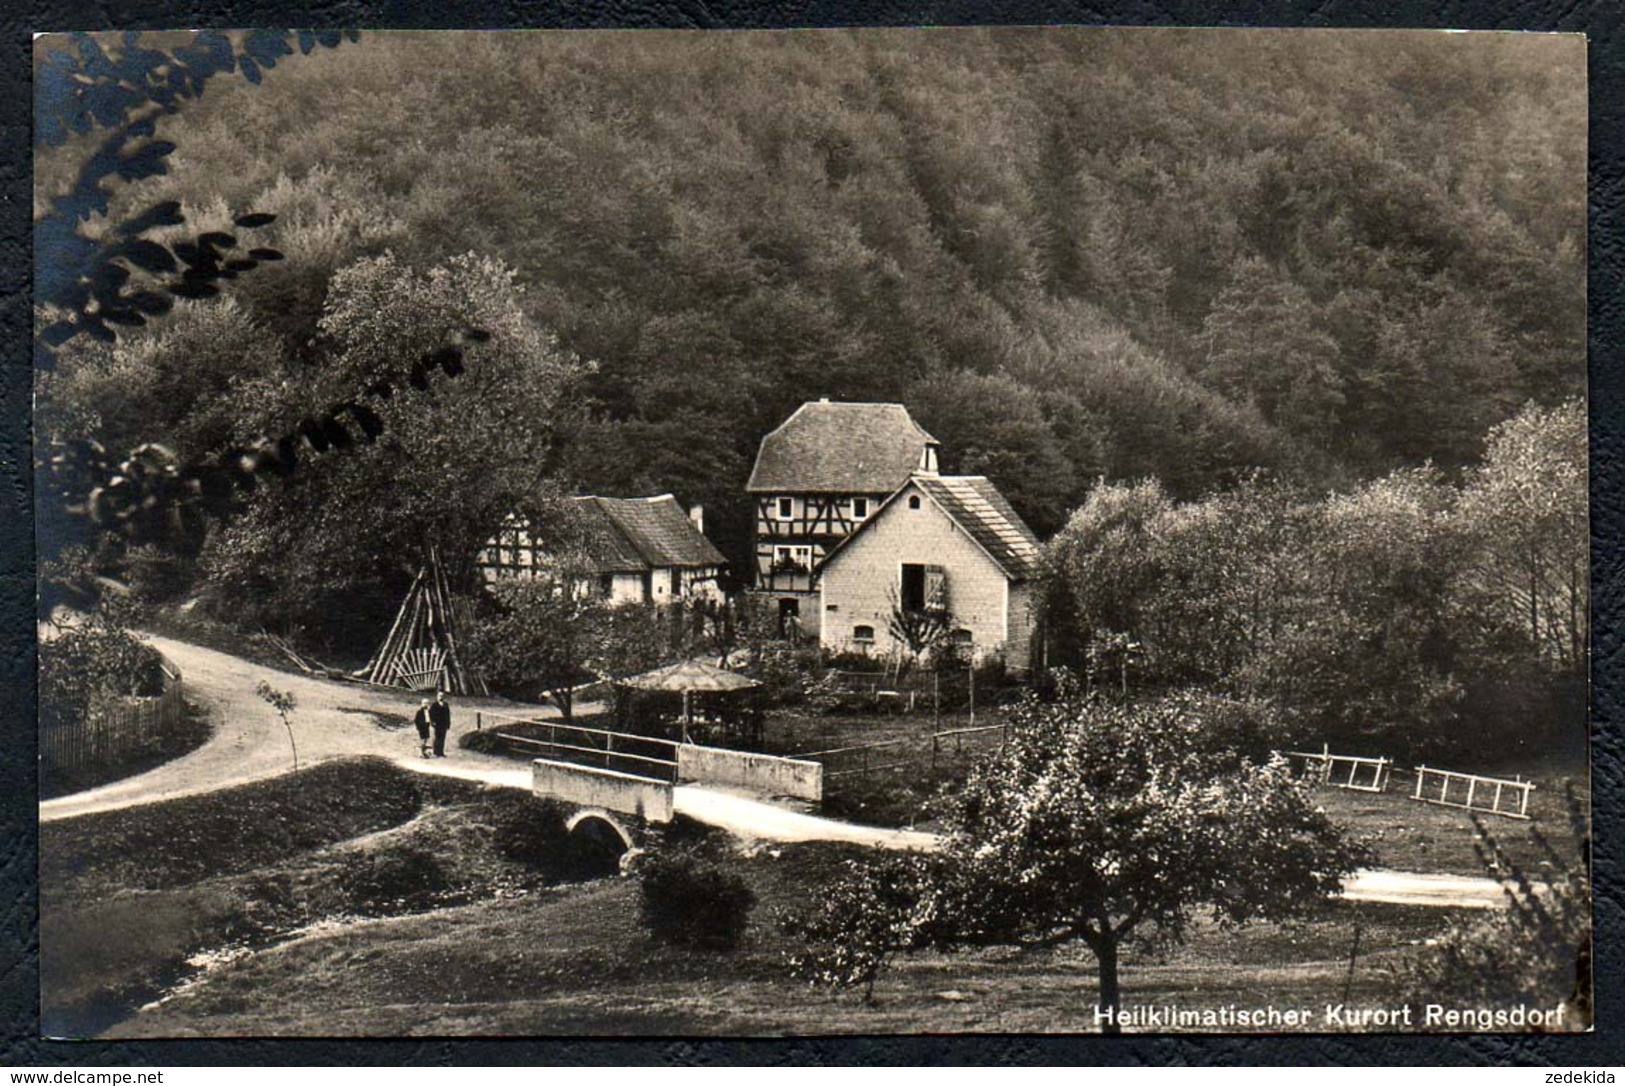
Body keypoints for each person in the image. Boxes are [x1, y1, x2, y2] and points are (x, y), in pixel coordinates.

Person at [429, 689, 453, 758]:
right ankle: (435, 752)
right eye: (439, 696)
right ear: (437, 696)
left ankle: (441, 752)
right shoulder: (434, 705)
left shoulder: (446, 705)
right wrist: (432, 722)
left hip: (444, 724)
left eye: (442, 696)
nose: (441, 697)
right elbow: (431, 714)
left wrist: (448, 723)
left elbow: (448, 715)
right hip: (437, 724)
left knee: (443, 738)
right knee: (437, 737)